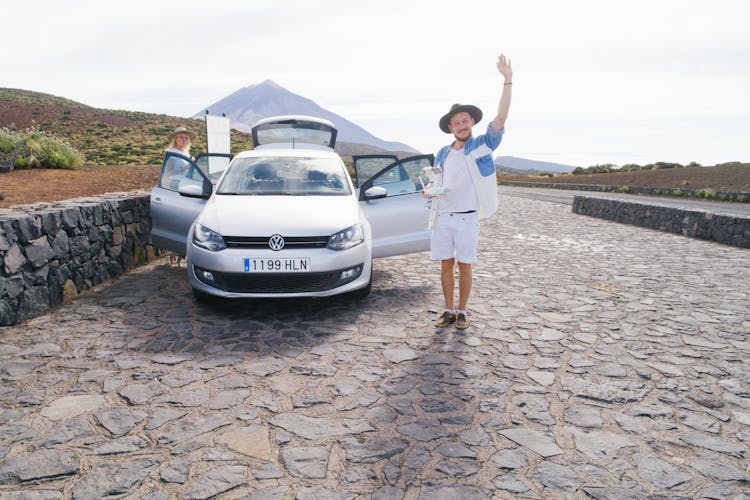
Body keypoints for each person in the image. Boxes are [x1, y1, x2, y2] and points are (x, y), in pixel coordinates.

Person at [429, 54, 513, 330]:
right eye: (457, 123)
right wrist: (429, 190)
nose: (462, 126)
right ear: (450, 128)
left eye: (465, 121)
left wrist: (507, 80)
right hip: (443, 217)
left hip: (467, 218)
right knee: (445, 266)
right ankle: (448, 309)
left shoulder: (482, 145)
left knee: (464, 266)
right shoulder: (442, 153)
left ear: (471, 122)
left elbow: (500, 117)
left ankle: (462, 311)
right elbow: (437, 181)